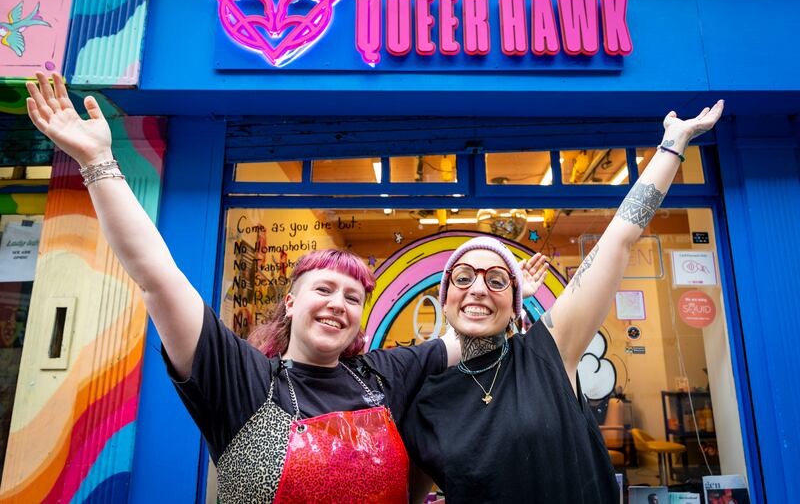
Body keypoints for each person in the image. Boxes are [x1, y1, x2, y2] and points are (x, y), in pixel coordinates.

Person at [23, 72, 550, 503]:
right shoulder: (242, 381)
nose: (337, 304)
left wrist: (509, 296)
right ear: (292, 303)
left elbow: (476, 334)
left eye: (352, 297)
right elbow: (156, 275)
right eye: (324, 289)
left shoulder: (384, 375)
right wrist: (98, 162)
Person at [403, 101, 725, 503]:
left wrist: (672, 146)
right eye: (464, 277)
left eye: (498, 280)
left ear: (514, 302)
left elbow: (619, 239)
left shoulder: (546, 351)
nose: (479, 289)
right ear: (445, 300)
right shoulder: (425, 402)